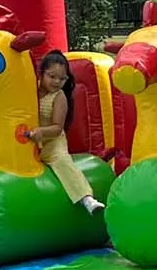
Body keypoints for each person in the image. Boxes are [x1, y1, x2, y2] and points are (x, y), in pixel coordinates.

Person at [24, 51, 105, 216]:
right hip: (31, 141)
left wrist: (40, 132)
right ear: (41, 73)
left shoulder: (59, 96)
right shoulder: (31, 89)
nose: (56, 82)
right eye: (52, 76)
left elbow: (57, 128)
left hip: (52, 142)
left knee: (62, 161)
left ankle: (86, 198)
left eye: (62, 79)